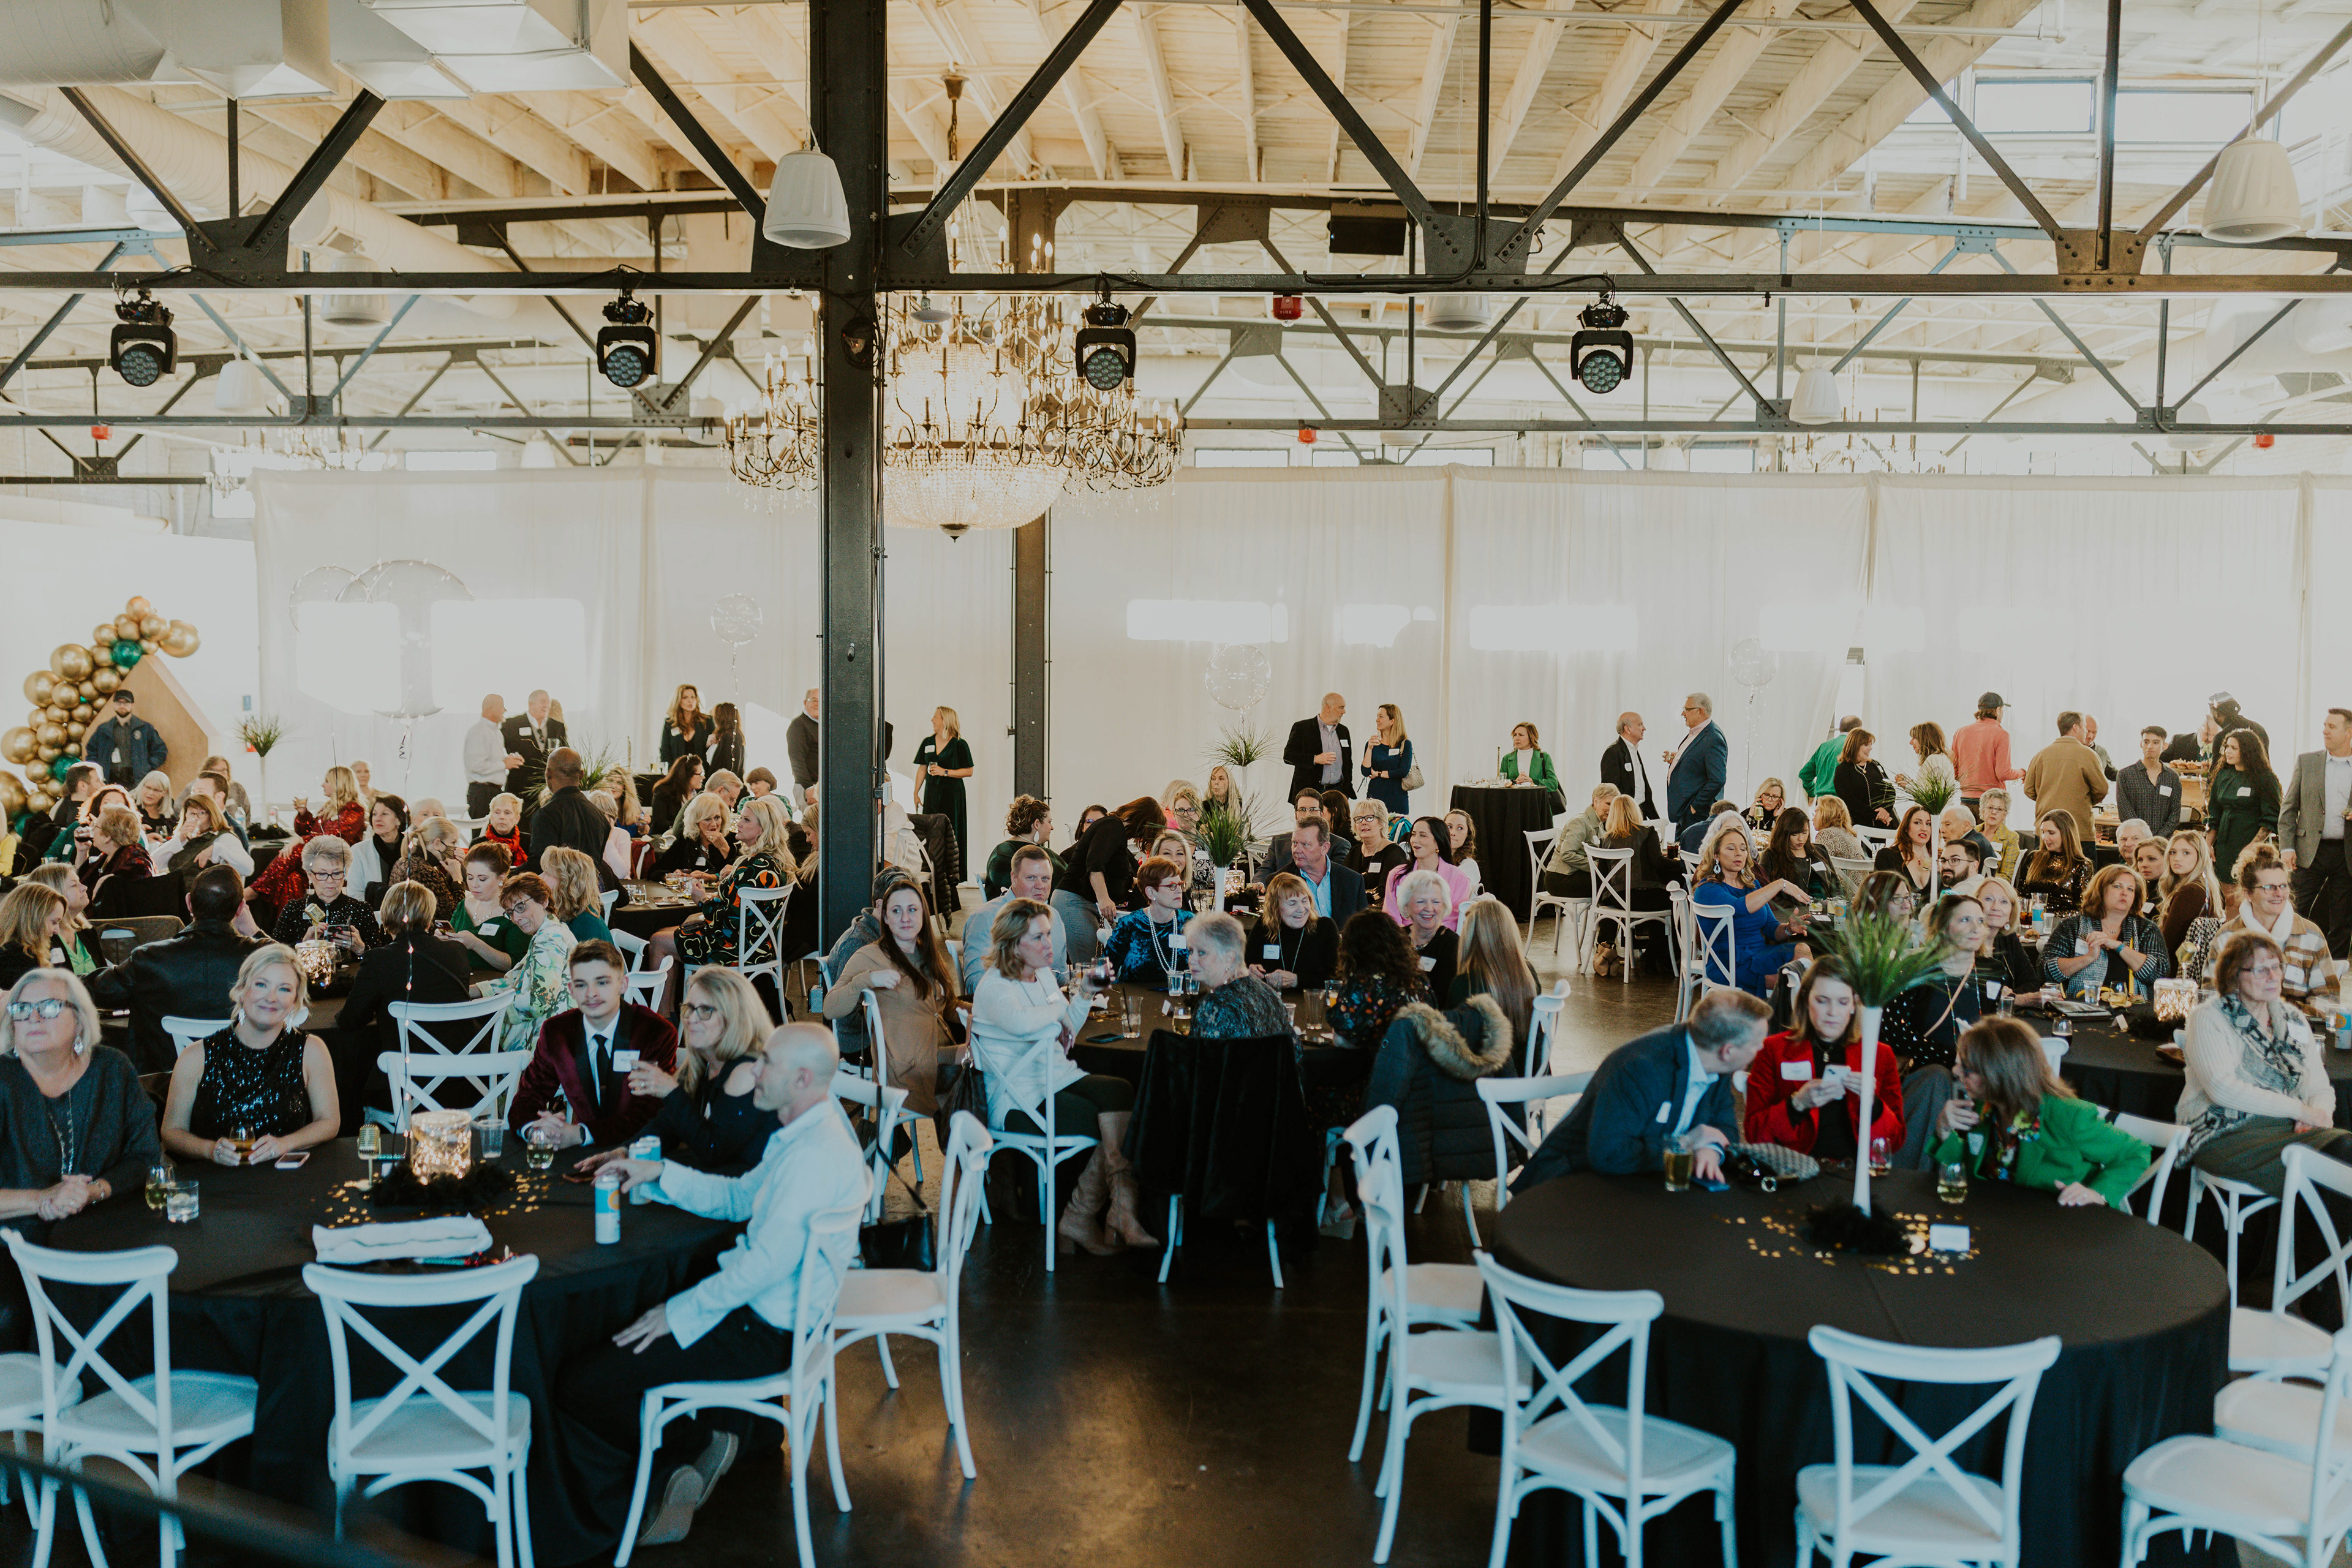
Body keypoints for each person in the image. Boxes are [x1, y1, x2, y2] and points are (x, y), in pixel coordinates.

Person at [556, 1023, 867, 1548]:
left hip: (764, 1331)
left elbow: (762, 1268)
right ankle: (699, 1443)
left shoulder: (813, 1157)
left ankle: (669, 1469)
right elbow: (740, 1197)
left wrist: (677, 1314)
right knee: (625, 1331)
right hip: (771, 1313)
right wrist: (657, 1173)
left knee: (581, 1386)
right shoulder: (807, 1131)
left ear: (802, 1079)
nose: (755, 1072)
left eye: (767, 1064)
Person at [968, 899, 1153, 1253]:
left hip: (1056, 1077)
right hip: (1017, 1099)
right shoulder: (995, 987)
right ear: (1013, 945)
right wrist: (1060, 1011)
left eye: (1049, 934)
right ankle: (1085, 1216)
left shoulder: (1041, 975)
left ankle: (1108, 1212)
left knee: (1121, 1092)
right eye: (1038, 937)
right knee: (1109, 1121)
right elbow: (1024, 1023)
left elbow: (1069, 1028)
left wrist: (1085, 992)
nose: (1049, 944)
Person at [1518, 989, 1771, 1187]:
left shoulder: (1715, 1062)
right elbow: (1609, 1155)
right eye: (1757, 1044)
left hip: (1642, 1183)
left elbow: (1725, 1129)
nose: (1761, 1049)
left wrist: (1710, 1149)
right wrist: (1687, 1143)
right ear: (1728, 1051)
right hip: (1570, 1184)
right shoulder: (1642, 1069)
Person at [2176, 929, 2352, 1196]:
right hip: (2222, 1134)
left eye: (2277, 967)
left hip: (2287, 1129)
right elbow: (2222, 1089)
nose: (2273, 976)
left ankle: (2303, 1222)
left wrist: (2317, 1114)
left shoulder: (2293, 1018)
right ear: (2234, 976)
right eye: (2261, 970)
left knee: (2339, 1154)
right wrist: (2300, 1111)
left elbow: (2319, 1087)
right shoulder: (2209, 1018)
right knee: (2339, 1154)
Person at [0, 968, 159, 1235]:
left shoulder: (112, 1069)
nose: (33, 1018)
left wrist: (93, 1192)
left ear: (80, 1019)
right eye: (22, 1009)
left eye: (50, 1007)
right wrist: (41, 1200)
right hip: (15, 1242)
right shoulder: (3, 1080)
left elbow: (145, 1156)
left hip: (107, 1228)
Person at [1929, 1017, 2151, 1207]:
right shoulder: (1986, 1107)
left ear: (1999, 1075)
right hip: (2005, 1220)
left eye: (1967, 1069)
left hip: (2063, 1228)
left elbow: (2136, 1154)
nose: (1956, 1072)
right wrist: (1944, 1131)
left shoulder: (2066, 1116)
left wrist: (2097, 1193)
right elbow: (1974, 1174)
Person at [575, 968, 775, 1177]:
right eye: (690, 1008)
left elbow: (714, 1152)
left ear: (734, 1017)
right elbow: (668, 1126)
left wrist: (672, 1092)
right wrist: (625, 1152)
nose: (691, 1019)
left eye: (705, 1010)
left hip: (754, 1190)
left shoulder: (747, 1071)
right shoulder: (705, 1066)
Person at [160, 944, 339, 1165]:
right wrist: (210, 1150)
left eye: (284, 989)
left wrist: (285, 1144)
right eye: (261, 985)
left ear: (295, 1001)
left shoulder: (312, 1050)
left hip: (285, 1177)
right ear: (241, 991)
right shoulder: (195, 1056)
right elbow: (171, 1132)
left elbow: (329, 1122)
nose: (271, 998)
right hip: (215, 1180)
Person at [86, 865, 265, 1074]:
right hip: (248, 1079)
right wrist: (254, 932)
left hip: (163, 1083)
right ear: (241, 909)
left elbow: (97, 991)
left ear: (189, 903)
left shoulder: (148, 958)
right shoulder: (262, 958)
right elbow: (291, 967)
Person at [508, 939, 677, 1150]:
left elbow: (651, 1113)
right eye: (581, 985)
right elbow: (528, 1096)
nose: (591, 994)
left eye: (602, 982)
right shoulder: (558, 1032)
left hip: (639, 1151)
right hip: (582, 1155)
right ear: (571, 989)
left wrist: (581, 1134)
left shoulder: (654, 1033)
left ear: (623, 985)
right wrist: (534, 1128)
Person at [821, 880, 959, 1114]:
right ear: (884, 917)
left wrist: (980, 1012)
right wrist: (866, 980)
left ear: (923, 914)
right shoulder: (871, 955)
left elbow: (948, 1007)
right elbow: (830, 1008)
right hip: (911, 1069)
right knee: (984, 1074)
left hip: (939, 1054)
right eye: (896, 911)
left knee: (992, 1059)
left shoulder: (926, 952)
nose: (905, 918)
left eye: (912, 910)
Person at [1744, 957, 1902, 1162]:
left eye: (1843, 1002)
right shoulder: (1774, 1050)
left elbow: (1895, 1142)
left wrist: (1873, 1105)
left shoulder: (1879, 1055)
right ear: (1805, 1000)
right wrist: (1797, 1104)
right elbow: (1754, 1134)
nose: (1832, 1012)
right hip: (1795, 1168)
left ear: (1854, 1005)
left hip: (1856, 1170)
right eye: (1822, 1001)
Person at [337, 881, 474, 1096]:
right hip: (467, 1081)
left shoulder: (379, 960)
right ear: (429, 916)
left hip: (406, 1085)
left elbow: (349, 1021)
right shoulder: (456, 951)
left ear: (386, 916)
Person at [662, 796, 794, 980]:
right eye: (741, 818)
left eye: (746, 820)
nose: (739, 824)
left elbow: (729, 921)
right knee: (674, 930)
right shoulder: (775, 864)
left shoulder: (750, 868)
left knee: (657, 941)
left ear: (762, 829)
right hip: (761, 947)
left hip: (731, 950)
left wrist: (702, 900)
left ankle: (666, 1001)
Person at [1691, 820, 1811, 997]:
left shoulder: (1752, 885)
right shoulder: (1708, 889)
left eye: (1743, 848)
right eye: (1731, 848)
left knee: (1802, 951)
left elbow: (1771, 929)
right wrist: (1780, 884)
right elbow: (1739, 908)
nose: (1738, 853)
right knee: (1798, 982)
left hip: (1759, 956)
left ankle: (1787, 1010)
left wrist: (1789, 929)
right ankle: (1786, 1011)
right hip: (1729, 964)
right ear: (1716, 855)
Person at [2219, 845, 2336, 1017]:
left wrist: (2292, 1016)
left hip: (2299, 1026)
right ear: (2248, 894)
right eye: (2269, 888)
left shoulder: (2311, 935)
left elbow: (2327, 997)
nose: (2279, 894)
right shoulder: (2227, 936)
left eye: (2283, 886)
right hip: (2240, 1026)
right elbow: (2214, 993)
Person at [1053, 797, 1166, 962]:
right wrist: (1104, 899)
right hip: (1074, 901)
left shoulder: (1116, 832)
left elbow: (1112, 872)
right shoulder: (1112, 826)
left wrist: (1136, 882)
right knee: (1089, 964)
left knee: (1097, 962)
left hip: (1083, 902)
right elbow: (1095, 866)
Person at [2279, 708, 2352, 962]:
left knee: (2342, 919)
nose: (2325, 731)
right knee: (2294, 909)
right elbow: (2289, 808)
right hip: (2309, 851)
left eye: (2332, 727)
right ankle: (2288, 963)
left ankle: (2334, 972)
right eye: (2324, 725)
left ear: (2349, 732)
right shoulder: (2307, 762)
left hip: (2347, 854)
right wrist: (2287, 848)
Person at [2044, 864, 2171, 1002]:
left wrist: (2120, 947)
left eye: (2130, 889)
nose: (2125, 893)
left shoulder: (2146, 929)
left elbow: (2159, 973)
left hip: (2132, 1009)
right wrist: (2089, 957)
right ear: (2101, 890)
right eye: (2117, 887)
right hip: (2081, 1008)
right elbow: (2046, 971)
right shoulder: (2072, 926)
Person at [484, 872, 579, 1052]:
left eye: (521, 907)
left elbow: (538, 1002)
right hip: (559, 1032)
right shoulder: (553, 930)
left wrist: (491, 1007)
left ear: (544, 901)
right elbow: (516, 980)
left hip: (548, 1043)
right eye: (510, 913)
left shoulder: (549, 939)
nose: (516, 918)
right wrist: (472, 991)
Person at [961, 846, 1069, 992]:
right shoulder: (985, 918)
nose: (1040, 886)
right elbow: (976, 984)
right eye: (1031, 878)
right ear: (1014, 879)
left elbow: (1061, 976)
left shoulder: (1054, 917)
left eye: (1045, 879)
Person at [1448, 897, 1538, 1056]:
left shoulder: (1465, 984)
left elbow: (1453, 1042)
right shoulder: (1529, 973)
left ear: (1470, 936)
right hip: (1527, 1064)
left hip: (1482, 1067)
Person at [1329, 909, 1427, 1051]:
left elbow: (1341, 1040)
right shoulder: (1420, 980)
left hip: (1384, 1062)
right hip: (1424, 1060)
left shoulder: (1363, 984)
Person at [1187, 911, 1293, 1039]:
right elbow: (1294, 1048)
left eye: (1202, 953)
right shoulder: (1268, 993)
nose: (1192, 960)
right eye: (1191, 951)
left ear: (1229, 958)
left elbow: (1198, 1051)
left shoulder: (1213, 1006)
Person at [270, 834, 380, 954]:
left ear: (345, 873)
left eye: (337, 873)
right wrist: (303, 945)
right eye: (322, 874)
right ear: (309, 875)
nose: (330, 880)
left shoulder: (362, 910)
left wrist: (361, 948)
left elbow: (380, 958)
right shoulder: (294, 910)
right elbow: (276, 955)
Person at [2211, 727, 2284, 896]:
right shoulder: (2223, 776)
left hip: (2250, 844)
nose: (2228, 751)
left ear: (2248, 751)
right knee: (2228, 896)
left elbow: (2271, 819)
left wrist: (2252, 846)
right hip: (2224, 845)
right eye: (2227, 747)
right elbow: (2214, 814)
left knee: (2249, 895)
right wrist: (2208, 845)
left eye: (2234, 748)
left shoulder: (2265, 778)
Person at [1103, 856, 1194, 988]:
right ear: (1151, 892)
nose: (1180, 890)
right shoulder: (1131, 925)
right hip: (1136, 997)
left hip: (1181, 997)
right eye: (1172, 886)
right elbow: (1105, 971)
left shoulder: (1190, 923)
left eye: (1180, 884)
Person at [2022, 711, 2109, 845]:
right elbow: (2102, 789)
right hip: (2078, 831)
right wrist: (2084, 802)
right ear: (2076, 727)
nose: (2087, 732)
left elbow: (2028, 789)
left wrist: (2046, 799)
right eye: (2085, 727)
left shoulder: (2041, 755)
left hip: (2046, 831)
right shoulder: (2089, 755)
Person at [1246, 871, 1338, 991]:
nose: (1301, 909)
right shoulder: (1264, 927)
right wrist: (1250, 971)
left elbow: (1336, 977)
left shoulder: (1325, 928)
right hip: (1270, 1000)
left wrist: (1298, 980)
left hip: (1311, 1000)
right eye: (1293, 903)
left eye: (1304, 901)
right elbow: (1244, 966)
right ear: (1276, 908)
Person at [911, 706, 974, 878]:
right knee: (931, 831)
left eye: (935, 717)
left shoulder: (960, 744)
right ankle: (932, 873)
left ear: (945, 720)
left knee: (952, 831)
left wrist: (945, 772)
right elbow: (922, 768)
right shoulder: (928, 742)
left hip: (952, 795)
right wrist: (916, 792)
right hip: (932, 793)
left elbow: (969, 771)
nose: (932, 720)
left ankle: (953, 875)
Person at [1381, 816, 1474, 930]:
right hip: (1402, 937)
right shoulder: (1397, 874)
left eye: (1423, 835)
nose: (1415, 840)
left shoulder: (1459, 878)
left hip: (1441, 937)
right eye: (1413, 834)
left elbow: (1453, 921)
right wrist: (1408, 936)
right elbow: (1391, 916)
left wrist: (1425, 936)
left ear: (1438, 843)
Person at [448, 842, 527, 972]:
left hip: (496, 982)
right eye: (470, 877)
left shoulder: (515, 912)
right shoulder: (464, 904)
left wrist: (476, 944)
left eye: (482, 879)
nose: (474, 885)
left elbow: (517, 965)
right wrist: (442, 940)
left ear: (501, 878)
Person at [21, 864, 105, 978]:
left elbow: (106, 978)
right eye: (74, 885)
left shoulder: (87, 932)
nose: (84, 887)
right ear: (54, 893)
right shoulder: (38, 941)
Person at [1665, 693, 1727, 839]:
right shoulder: (1698, 733)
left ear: (1701, 711)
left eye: (1687, 709)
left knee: (1692, 851)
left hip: (1697, 815)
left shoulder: (1713, 737)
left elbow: (1718, 779)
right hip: (1685, 811)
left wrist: (1695, 807)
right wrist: (1678, 760)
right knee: (1681, 851)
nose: (1683, 714)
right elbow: (1699, 762)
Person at [1395, 869, 1459, 1003]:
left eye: (1436, 902)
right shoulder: (1396, 939)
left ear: (1444, 906)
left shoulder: (1452, 945)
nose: (1429, 908)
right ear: (1406, 907)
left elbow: (1444, 999)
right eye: (1421, 902)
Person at [2157, 830, 2225, 954]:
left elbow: (2167, 944)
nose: (2177, 858)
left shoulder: (2191, 891)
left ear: (2200, 857)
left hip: (2179, 963)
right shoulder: (2204, 887)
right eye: (2173, 852)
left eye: (2186, 853)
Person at [1951, 694, 2022, 813]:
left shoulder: (1961, 732)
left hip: (1966, 800)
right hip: (1991, 803)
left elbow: (1954, 770)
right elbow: (2003, 773)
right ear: (1998, 710)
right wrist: (2022, 773)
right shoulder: (2001, 735)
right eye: (2002, 710)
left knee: (1967, 827)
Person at [81, 688, 165, 788]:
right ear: (114, 704)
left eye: (126, 703)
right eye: (119, 703)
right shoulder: (103, 730)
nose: (122, 706)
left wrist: (147, 767)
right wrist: (98, 771)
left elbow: (160, 751)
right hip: (110, 779)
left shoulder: (144, 728)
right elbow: (91, 751)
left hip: (137, 780)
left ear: (132, 705)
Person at [157, 793, 251, 883]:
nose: (196, 818)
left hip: (204, 891)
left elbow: (248, 869)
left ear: (211, 815)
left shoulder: (223, 837)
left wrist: (217, 849)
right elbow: (155, 864)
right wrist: (179, 839)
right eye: (191, 813)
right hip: (176, 889)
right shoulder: (184, 838)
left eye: (201, 813)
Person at [1971, 878, 2041, 995]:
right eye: (1988, 899)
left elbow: (2032, 983)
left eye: (2004, 902)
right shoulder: (1967, 939)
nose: (1995, 907)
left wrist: (2010, 997)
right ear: (1975, 904)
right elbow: (1974, 992)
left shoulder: (2008, 939)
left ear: (2011, 913)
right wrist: (2010, 998)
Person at [0, 884, 74, 994]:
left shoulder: (17, 951)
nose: (57, 931)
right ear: (34, 919)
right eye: (54, 922)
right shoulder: (18, 956)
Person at [2016, 809, 2092, 916]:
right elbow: (2022, 896)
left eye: (2051, 833)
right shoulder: (2034, 858)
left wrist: (2048, 917)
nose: (2045, 838)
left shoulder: (2081, 865)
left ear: (2066, 834)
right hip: (2032, 919)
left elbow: (2083, 908)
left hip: (2063, 923)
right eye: (2043, 832)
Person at [2115, 725, 2185, 840]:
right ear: (2141, 744)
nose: (2150, 747)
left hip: (2162, 843)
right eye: (2146, 742)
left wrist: (2157, 839)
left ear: (2165, 746)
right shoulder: (2125, 775)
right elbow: (2125, 812)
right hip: (2134, 842)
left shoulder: (2172, 777)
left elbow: (2175, 815)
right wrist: (2142, 838)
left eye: (2156, 743)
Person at [984, 796, 1061, 899]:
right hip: (1020, 907)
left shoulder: (1003, 853)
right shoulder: (1004, 855)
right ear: (1037, 824)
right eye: (1049, 822)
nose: (1052, 828)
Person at [1760, 807, 1835, 911]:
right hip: (1794, 913)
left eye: (1805, 833)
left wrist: (1837, 903)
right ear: (1784, 833)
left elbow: (1836, 885)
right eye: (1794, 834)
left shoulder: (1820, 851)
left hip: (1827, 911)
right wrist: (1795, 910)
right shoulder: (1771, 856)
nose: (1801, 839)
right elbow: (1765, 893)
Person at [76, 805, 152, 907]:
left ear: (107, 837)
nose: (92, 830)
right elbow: (83, 882)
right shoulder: (107, 855)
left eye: (95, 826)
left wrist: (111, 880)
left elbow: (142, 872)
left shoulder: (134, 852)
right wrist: (82, 851)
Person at [1283, 692, 1354, 801]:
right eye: (1341, 708)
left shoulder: (1343, 731)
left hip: (1339, 792)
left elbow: (1348, 763)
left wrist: (1347, 788)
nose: (1344, 712)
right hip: (1311, 793)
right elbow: (1288, 756)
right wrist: (1315, 759)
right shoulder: (1302, 728)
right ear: (1327, 708)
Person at [463, 695, 525, 819]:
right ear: (490, 709)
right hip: (482, 793)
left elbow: (493, 760)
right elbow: (476, 766)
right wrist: (504, 764)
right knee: (482, 832)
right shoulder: (478, 732)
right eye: (502, 706)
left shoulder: (497, 733)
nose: (505, 710)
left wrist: (510, 760)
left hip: (494, 792)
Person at [500, 689, 567, 801]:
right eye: (543, 701)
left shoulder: (557, 726)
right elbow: (498, 750)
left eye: (548, 702)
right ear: (531, 704)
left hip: (548, 791)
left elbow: (565, 753)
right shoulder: (512, 724)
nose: (546, 706)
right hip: (519, 789)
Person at [347, 793, 409, 908]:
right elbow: (355, 895)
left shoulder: (412, 848)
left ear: (399, 820)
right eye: (375, 814)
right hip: (372, 915)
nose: (377, 819)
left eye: (384, 814)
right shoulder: (359, 850)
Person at [545, 847, 616, 946]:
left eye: (548, 873)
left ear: (566, 882)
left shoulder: (586, 925)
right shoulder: (569, 913)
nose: (540, 877)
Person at [657, 793, 735, 880]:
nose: (714, 824)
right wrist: (672, 876)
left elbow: (739, 874)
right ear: (696, 821)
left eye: (717, 818)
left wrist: (725, 849)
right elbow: (655, 871)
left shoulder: (731, 840)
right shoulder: (686, 842)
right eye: (707, 819)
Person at [1833, 727, 1895, 831]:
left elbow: (1890, 790)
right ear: (1855, 746)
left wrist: (1885, 811)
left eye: (1871, 745)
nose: (1870, 748)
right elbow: (1848, 800)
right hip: (1856, 827)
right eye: (1866, 745)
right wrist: (1876, 814)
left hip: (1881, 824)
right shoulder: (1843, 770)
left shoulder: (1875, 765)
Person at [1601, 712, 1659, 820]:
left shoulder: (1633, 750)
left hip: (1640, 813)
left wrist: (1656, 820)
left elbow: (1643, 789)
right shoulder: (1613, 753)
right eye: (1640, 725)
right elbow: (1611, 792)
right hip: (1625, 817)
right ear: (1628, 729)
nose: (1644, 728)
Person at [292, 765, 368, 843]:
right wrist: (303, 815)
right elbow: (306, 832)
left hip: (331, 851)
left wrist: (302, 840)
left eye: (327, 781)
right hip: (318, 849)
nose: (322, 785)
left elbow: (334, 838)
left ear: (338, 784)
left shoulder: (353, 811)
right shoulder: (329, 807)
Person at [1362, 704, 1412, 818]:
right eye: (1377, 716)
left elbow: (1403, 771)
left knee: (1397, 827)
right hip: (1375, 797)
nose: (1377, 720)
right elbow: (1365, 771)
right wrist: (1369, 748)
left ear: (1392, 721)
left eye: (1381, 717)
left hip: (1397, 797)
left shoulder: (1404, 744)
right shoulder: (1373, 743)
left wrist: (1379, 774)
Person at [1872, 805, 1935, 895]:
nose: (1924, 829)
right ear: (1906, 827)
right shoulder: (1887, 856)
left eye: (1928, 824)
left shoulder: (1939, 858)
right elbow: (1880, 896)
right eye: (1917, 823)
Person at [1799, 717, 1861, 804]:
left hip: (1822, 802)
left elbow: (1805, 774)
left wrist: (1811, 793)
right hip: (1841, 803)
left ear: (1840, 728)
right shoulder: (1855, 748)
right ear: (1859, 730)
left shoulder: (1824, 747)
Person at [1349, 801, 1410, 889]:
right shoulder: (1353, 852)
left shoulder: (1394, 853)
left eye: (1370, 818)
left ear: (1381, 823)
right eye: (1359, 819)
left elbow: (1387, 890)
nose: (1363, 823)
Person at [649, 756, 706, 843]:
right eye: (700, 774)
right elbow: (659, 824)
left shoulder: (700, 795)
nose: (703, 777)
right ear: (687, 775)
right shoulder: (663, 791)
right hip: (668, 840)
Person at [1893, 723, 1954, 801]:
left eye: (1914, 738)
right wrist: (1908, 783)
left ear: (1924, 739)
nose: (1911, 742)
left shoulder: (1934, 759)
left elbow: (1934, 795)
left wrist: (1907, 785)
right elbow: (1931, 788)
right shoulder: (1942, 758)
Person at [1499, 722, 1559, 801]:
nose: (1516, 738)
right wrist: (1514, 783)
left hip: (1537, 803)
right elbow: (1501, 784)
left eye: (1521, 735)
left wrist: (1533, 782)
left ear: (1531, 737)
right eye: (1515, 735)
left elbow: (1553, 784)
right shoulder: (1507, 758)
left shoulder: (1544, 757)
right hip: (1514, 803)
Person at [1977, 786, 2024, 881]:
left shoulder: (2011, 838)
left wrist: (1981, 879)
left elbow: (2006, 876)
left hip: (1992, 884)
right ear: (1983, 810)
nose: (1994, 812)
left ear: (2005, 814)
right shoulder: (1973, 831)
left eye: (1999, 809)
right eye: (1990, 808)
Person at [660, 684, 712, 769]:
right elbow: (665, 752)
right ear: (678, 700)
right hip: (678, 772)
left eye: (693, 697)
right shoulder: (670, 723)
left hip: (702, 772)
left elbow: (712, 751)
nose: (690, 701)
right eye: (685, 698)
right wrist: (672, 772)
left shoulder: (707, 721)